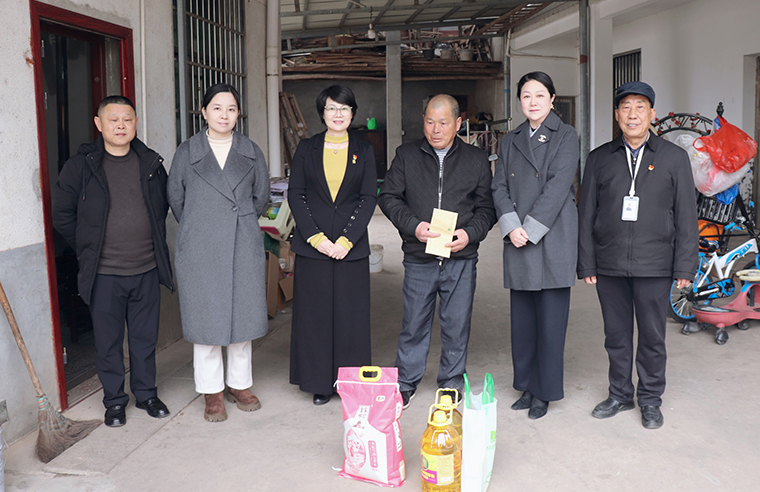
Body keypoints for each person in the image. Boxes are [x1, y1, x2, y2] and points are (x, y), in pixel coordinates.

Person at [577, 81, 698, 429]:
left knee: (652, 336)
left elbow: (686, 216)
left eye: (640, 107)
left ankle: (650, 398)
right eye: (626, 107)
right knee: (615, 336)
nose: (633, 114)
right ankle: (619, 394)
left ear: (652, 114)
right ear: (617, 115)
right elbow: (585, 214)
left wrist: (685, 266)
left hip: (655, 264)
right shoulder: (599, 158)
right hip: (610, 263)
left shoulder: (674, 158)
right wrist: (587, 262)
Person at [53, 95, 174, 427]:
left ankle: (146, 394)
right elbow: (62, 215)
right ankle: (115, 402)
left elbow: (161, 207)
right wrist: (88, 246)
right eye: (113, 119)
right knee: (108, 342)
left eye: (127, 119)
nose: (121, 126)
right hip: (104, 273)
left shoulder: (150, 163)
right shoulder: (81, 166)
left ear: (135, 123)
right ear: (99, 123)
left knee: (144, 339)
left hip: (146, 268)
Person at [378, 94, 496, 408]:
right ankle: (406, 381)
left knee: (457, 324)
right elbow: (389, 197)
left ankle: (451, 381)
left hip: (460, 258)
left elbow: (487, 208)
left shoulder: (476, 159)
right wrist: (413, 225)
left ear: (458, 123)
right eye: (430, 122)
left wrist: (469, 234)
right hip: (420, 256)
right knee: (414, 323)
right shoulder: (406, 155)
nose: (435, 129)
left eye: (443, 123)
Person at [168, 83, 270, 422]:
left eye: (231, 108)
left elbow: (261, 197)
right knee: (206, 323)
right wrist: (202, 225)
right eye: (217, 108)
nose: (224, 115)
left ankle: (239, 385)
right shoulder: (187, 152)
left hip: (242, 242)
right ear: (204, 112)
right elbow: (176, 198)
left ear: (238, 114)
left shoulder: (251, 151)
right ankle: (211, 391)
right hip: (201, 246)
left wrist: (237, 222)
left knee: (242, 319)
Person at [491, 72, 579, 420]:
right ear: (520, 101)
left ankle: (545, 390)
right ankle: (527, 385)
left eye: (540, 95)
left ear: (552, 99)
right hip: (518, 236)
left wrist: (528, 229)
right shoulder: (510, 140)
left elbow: (558, 187)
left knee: (550, 322)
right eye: (526, 95)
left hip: (551, 236)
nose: (533, 101)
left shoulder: (566, 135)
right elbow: (498, 186)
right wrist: (511, 226)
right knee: (523, 323)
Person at [288, 85, 377, 405]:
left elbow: (368, 197)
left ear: (352, 113)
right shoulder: (306, 148)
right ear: (322, 113)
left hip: (351, 249)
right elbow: (296, 193)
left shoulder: (364, 150)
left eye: (344, 108)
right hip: (313, 248)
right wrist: (316, 238)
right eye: (331, 108)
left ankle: (350, 383)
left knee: (351, 318)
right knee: (315, 317)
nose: (338, 114)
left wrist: (347, 240)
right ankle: (320, 384)